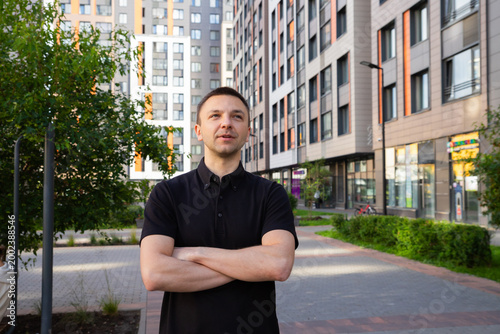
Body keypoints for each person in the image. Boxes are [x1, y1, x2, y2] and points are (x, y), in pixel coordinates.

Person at [140, 87, 298, 334]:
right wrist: (249, 266)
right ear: (198, 131)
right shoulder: (167, 193)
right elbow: (154, 274)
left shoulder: (270, 194)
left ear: (247, 132)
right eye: (215, 116)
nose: (226, 123)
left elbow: (277, 265)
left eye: (237, 116)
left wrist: (194, 253)